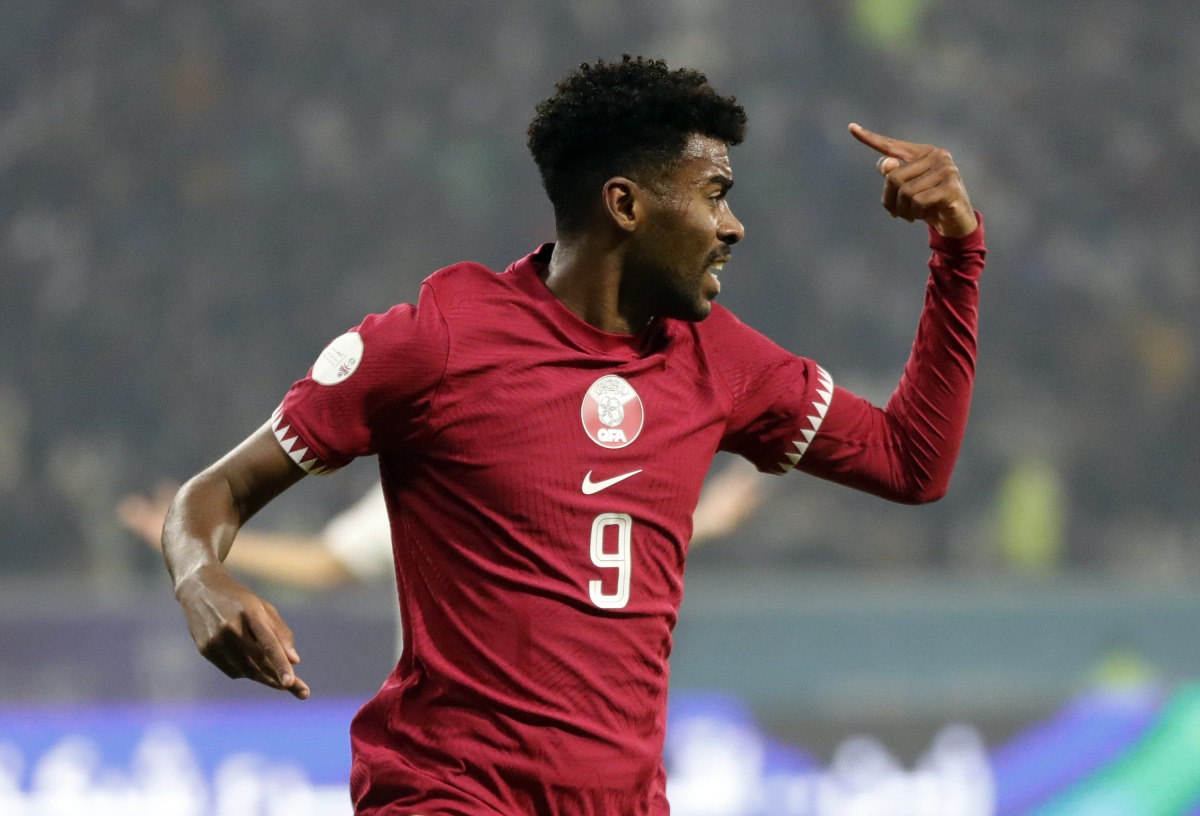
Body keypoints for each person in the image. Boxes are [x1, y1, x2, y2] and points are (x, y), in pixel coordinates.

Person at [161, 56, 985, 815]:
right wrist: (202, 577)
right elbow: (216, 492)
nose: (732, 226)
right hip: (448, 795)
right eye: (714, 194)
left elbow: (912, 461)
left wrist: (956, 248)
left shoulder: (721, 361)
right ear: (625, 204)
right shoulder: (437, 342)